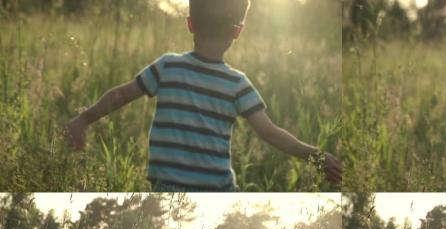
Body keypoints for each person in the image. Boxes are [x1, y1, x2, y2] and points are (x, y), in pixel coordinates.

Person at [65, 0, 342, 191]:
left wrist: (83, 120)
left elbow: (120, 95)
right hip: (217, 189)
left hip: (167, 189)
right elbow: (270, 132)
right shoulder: (238, 84)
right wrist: (315, 156)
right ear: (238, 32)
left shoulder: (167, 66)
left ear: (190, 24)